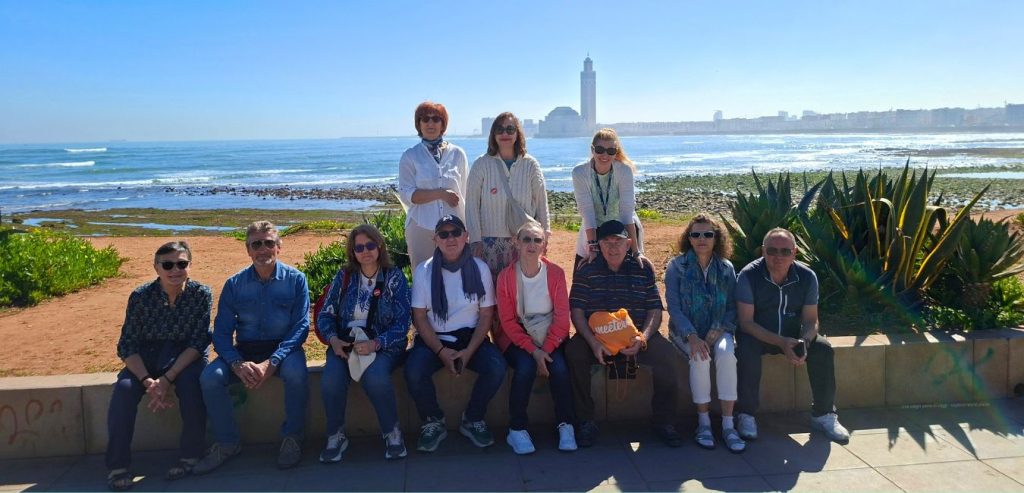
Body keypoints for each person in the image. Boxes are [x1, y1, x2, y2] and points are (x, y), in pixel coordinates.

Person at [194, 221, 311, 473]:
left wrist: (273, 361)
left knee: (297, 374)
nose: (263, 249)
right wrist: (236, 363)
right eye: (256, 244)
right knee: (210, 378)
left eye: (269, 243)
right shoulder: (234, 285)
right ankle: (227, 443)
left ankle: (292, 438)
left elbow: (301, 327)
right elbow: (222, 333)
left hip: (284, 349)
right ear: (248, 250)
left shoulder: (296, 280)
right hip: (245, 350)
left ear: (279, 247)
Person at [565, 220, 682, 448]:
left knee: (668, 355)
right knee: (574, 352)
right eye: (606, 242)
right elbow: (577, 311)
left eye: (617, 241)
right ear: (598, 245)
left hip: (635, 335)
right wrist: (592, 342)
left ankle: (664, 421)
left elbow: (654, 310)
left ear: (629, 243)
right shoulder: (586, 269)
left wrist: (643, 338)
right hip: (597, 337)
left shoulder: (643, 267)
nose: (612, 247)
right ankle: (586, 421)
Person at [105, 242, 212, 491]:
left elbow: (198, 342)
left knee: (191, 385)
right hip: (147, 357)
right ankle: (117, 466)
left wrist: (167, 378)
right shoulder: (141, 297)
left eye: (181, 264)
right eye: (168, 264)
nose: (175, 270)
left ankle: (190, 455)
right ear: (156, 267)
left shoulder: (201, 294)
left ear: (190, 266)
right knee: (123, 390)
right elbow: (127, 345)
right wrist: (147, 380)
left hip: (186, 355)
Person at [734, 228, 850, 444]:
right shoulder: (748, 275)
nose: (778, 256)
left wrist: (803, 342)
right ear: (762, 251)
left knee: (823, 349)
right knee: (745, 350)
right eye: (772, 250)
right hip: (758, 334)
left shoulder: (807, 277)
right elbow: (746, 322)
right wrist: (781, 342)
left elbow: (811, 320)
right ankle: (746, 414)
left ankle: (823, 414)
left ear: (794, 253)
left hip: (793, 335)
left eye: (785, 251)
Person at [403, 214, 508, 452]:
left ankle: (473, 419)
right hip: (434, 340)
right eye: (444, 234)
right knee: (414, 370)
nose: (450, 238)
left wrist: (469, 352)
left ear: (466, 237)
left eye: (456, 233)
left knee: (496, 367)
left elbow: (485, 315)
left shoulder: (480, 269)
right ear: (435, 239)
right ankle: (433, 421)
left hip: (470, 337)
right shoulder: (424, 271)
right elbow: (419, 317)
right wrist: (441, 352)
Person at [317, 224, 412, 462]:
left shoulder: (394, 278)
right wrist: (333, 340)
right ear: (353, 252)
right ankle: (335, 434)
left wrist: (376, 344)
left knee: (376, 377)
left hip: (384, 345)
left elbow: (403, 323)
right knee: (331, 380)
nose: (365, 251)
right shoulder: (345, 277)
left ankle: (392, 432)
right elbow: (325, 315)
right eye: (359, 247)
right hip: (346, 344)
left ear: (379, 246)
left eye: (370, 245)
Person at [665, 214, 745, 453]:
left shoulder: (726, 268)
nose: (702, 239)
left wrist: (719, 328)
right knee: (700, 357)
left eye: (708, 234)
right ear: (688, 238)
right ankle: (704, 423)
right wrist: (692, 335)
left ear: (716, 238)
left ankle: (729, 425)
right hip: (684, 332)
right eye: (696, 234)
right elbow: (674, 307)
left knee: (727, 354)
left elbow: (733, 306)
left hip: (719, 329)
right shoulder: (677, 267)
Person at [493, 221, 576, 454]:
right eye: (526, 239)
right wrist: (534, 351)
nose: (531, 244)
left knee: (558, 368)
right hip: (518, 338)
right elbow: (507, 321)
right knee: (525, 368)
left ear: (544, 246)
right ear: (516, 243)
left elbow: (562, 318)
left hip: (551, 336)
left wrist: (546, 349)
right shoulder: (506, 277)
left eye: (537, 240)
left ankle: (565, 424)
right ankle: (517, 429)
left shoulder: (556, 274)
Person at [466, 112, 551, 281]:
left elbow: (541, 201)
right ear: (493, 134)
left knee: (520, 292)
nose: (505, 133)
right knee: (490, 294)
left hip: (524, 241)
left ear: (517, 133)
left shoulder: (530, 164)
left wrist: (545, 234)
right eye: (500, 129)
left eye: (510, 129)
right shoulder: (481, 164)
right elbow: (471, 205)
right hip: (488, 243)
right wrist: (475, 239)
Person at [397, 101, 469, 271]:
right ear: (419, 124)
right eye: (425, 119)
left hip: (455, 231)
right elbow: (408, 195)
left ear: (443, 124)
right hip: (421, 227)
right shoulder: (410, 156)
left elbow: (466, 194)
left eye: (436, 119)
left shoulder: (458, 154)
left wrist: (470, 228)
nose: (430, 123)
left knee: (456, 278)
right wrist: (441, 194)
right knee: (423, 278)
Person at [571, 128, 646, 269]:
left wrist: (636, 251)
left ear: (616, 152)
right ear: (592, 149)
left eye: (610, 151)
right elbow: (587, 212)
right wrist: (592, 247)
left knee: (632, 271)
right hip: (593, 228)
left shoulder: (624, 171)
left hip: (622, 228)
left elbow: (626, 212)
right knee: (586, 271)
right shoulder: (579, 172)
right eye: (600, 149)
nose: (605, 155)